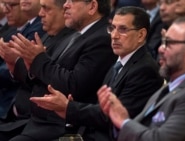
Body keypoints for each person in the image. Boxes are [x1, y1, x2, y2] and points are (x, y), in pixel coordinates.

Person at [30, 6, 164, 141]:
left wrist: (69, 108)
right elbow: (100, 107)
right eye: (112, 28)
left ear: (141, 35)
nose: (114, 36)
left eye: (123, 29)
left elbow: (114, 117)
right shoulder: (119, 62)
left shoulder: (144, 70)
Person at [0, 0, 116, 140]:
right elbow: (45, 76)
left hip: (62, 128)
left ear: (92, 7)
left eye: (71, 0)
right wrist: (18, 63)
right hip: (36, 122)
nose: (66, 5)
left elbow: (73, 85)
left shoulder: (102, 38)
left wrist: (37, 59)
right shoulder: (76, 35)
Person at [97, 17, 185, 141]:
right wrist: (120, 119)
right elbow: (142, 128)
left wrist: (123, 121)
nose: (160, 49)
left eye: (168, 43)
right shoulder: (173, 84)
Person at [0, 0, 75, 140]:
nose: (41, 14)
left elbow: (64, 83)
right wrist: (14, 65)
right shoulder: (47, 35)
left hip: (48, 123)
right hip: (26, 118)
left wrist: (21, 62)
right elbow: (31, 76)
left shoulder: (70, 39)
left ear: (63, 11)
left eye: (46, 9)